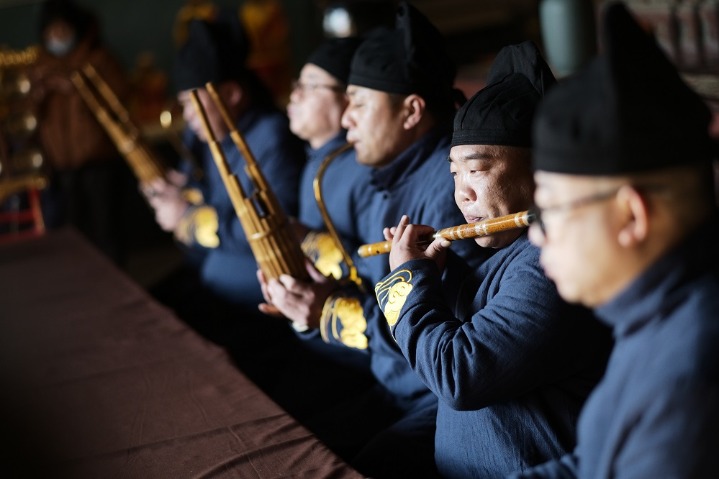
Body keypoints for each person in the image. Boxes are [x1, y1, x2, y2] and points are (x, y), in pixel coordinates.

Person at [258, 3, 477, 477]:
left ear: (411, 110)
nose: (347, 119)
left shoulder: (448, 189)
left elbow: (424, 329)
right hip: (391, 385)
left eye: (358, 102)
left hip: (435, 396)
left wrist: (324, 312)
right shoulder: (391, 176)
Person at [376, 41, 612, 479]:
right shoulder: (505, 257)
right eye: (454, 173)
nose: (461, 193)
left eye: (477, 170)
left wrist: (405, 278)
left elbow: (458, 375)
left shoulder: (549, 264)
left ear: (540, 173)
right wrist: (425, 277)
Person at [513, 2, 719, 477]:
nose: (536, 235)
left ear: (632, 213)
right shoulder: (653, 309)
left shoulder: (691, 379)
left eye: (549, 210)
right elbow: (594, 461)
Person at [144, 8, 305, 383]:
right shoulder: (207, 137)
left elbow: (273, 225)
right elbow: (206, 193)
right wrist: (178, 192)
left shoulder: (270, 135)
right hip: (213, 264)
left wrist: (188, 217)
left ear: (231, 94)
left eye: (191, 103)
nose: (188, 115)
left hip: (264, 279)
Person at [28, 0, 129, 263]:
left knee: (107, 231)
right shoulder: (38, 66)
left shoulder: (99, 59)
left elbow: (118, 102)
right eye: (52, 31)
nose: (58, 36)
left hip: (99, 162)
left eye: (63, 29)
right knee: (73, 235)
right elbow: (28, 118)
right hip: (62, 167)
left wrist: (75, 88)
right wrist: (37, 94)